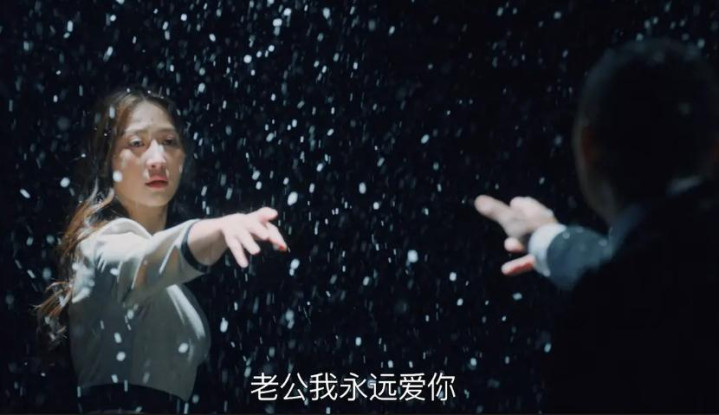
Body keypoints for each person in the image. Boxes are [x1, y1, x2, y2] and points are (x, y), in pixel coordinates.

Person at [476, 38, 719, 411]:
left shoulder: (607, 322)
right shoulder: (671, 273)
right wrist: (550, 241)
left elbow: (648, 287)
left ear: (587, 147)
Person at [34, 86, 289, 413]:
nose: (157, 159)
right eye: (136, 143)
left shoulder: (174, 288)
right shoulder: (98, 245)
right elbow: (143, 259)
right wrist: (218, 227)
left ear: (183, 158)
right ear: (107, 160)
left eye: (169, 142)